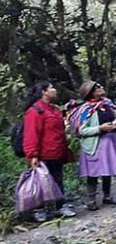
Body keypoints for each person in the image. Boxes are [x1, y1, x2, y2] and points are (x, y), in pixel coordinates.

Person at [22, 81, 77, 221]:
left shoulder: (55, 110)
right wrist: (32, 154)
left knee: (57, 180)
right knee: (40, 182)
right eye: (51, 88)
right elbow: (31, 134)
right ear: (44, 92)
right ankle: (39, 210)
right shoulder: (35, 111)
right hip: (42, 154)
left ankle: (60, 207)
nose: (55, 90)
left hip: (57, 152)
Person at [67, 81, 116, 211]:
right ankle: (91, 200)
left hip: (110, 143)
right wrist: (100, 128)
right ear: (91, 92)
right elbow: (81, 130)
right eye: (97, 88)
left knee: (107, 171)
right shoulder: (85, 110)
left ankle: (107, 196)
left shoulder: (107, 104)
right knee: (92, 173)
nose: (101, 88)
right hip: (94, 145)